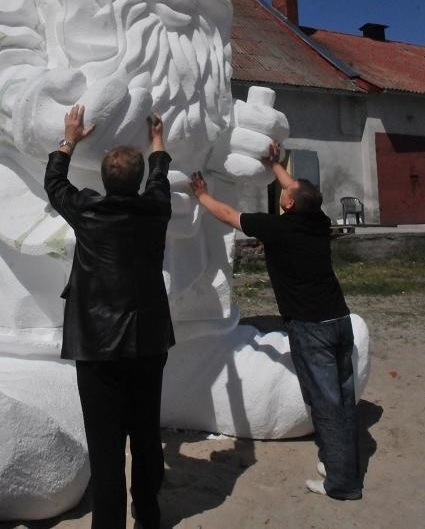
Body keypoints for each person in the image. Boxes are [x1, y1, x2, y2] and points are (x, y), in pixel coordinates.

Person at [189, 141, 362, 501]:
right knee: (342, 398)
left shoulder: (277, 228)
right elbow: (302, 192)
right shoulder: (318, 221)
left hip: (311, 327)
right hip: (338, 319)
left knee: (325, 403)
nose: (284, 189)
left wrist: (202, 196)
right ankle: (337, 461)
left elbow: (229, 215)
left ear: (288, 204)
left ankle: (341, 484)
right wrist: (275, 165)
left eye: (286, 191)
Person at [45, 104, 174, 529]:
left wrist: (70, 138)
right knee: (145, 433)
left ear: (103, 180)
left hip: (97, 344)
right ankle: (149, 515)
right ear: (136, 182)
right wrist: (157, 143)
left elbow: (55, 183)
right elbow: (159, 180)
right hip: (147, 341)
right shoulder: (155, 209)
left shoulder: (87, 210)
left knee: (105, 445)